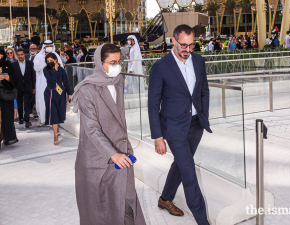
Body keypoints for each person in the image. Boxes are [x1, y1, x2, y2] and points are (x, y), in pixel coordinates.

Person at [71, 43, 146, 225]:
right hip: (97, 160)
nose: (117, 67)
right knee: (100, 212)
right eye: (112, 63)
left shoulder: (118, 81)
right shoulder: (87, 89)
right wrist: (113, 154)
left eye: (119, 62)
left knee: (127, 205)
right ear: (99, 62)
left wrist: (122, 149)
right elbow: (92, 129)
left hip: (121, 155)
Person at [148, 24, 212, 225]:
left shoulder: (199, 62)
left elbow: (204, 91)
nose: (187, 49)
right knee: (189, 172)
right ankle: (203, 221)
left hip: (195, 126)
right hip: (173, 128)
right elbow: (152, 104)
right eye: (183, 45)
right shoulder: (160, 67)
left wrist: (203, 117)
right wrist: (158, 136)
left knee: (181, 164)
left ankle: (165, 199)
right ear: (174, 41)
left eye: (191, 45)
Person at [43, 53, 72, 145]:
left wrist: (70, 93)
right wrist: (55, 70)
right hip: (50, 93)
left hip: (60, 93)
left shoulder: (61, 70)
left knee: (59, 112)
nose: (49, 62)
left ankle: (57, 129)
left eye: (51, 60)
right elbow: (51, 79)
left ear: (56, 60)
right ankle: (55, 134)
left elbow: (66, 81)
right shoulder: (46, 70)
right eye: (48, 61)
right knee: (53, 113)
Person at [34, 40, 63, 126]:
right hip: (42, 83)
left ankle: (55, 119)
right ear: (44, 47)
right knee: (41, 100)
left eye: (50, 46)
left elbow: (61, 68)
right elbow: (36, 68)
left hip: (54, 82)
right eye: (47, 46)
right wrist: (45, 60)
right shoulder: (39, 56)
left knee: (56, 99)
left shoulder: (56, 55)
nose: (49, 48)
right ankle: (42, 119)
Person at [12, 48, 35, 128]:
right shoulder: (14, 64)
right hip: (18, 86)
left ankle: (27, 119)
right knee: (19, 102)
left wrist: (33, 87)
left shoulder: (30, 63)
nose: (20, 56)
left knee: (27, 102)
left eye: (21, 54)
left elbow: (33, 75)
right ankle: (21, 118)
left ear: (24, 54)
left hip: (28, 86)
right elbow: (13, 77)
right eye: (18, 55)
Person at [0, 49, 19, 147]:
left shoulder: (8, 64)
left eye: (1, 55)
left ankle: (7, 138)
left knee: (7, 117)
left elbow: (15, 78)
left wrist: (8, 79)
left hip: (6, 94)